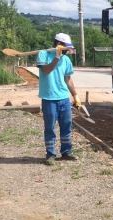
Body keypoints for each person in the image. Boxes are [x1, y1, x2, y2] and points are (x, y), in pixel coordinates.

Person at [37, 33, 82, 165]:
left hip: (64, 98)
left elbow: (68, 79)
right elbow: (46, 71)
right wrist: (56, 57)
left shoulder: (66, 60)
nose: (68, 50)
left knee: (66, 125)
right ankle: (50, 154)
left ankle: (66, 152)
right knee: (50, 127)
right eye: (66, 48)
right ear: (58, 45)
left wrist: (75, 96)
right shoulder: (43, 54)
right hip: (49, 98)